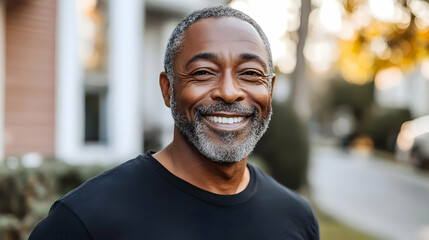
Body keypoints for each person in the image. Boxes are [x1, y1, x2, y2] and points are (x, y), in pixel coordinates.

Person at [29, 6, 319, 240]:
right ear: (168, 90)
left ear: (269, 89)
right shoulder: (84, 221)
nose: (230, 92)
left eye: (251, 73)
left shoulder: (296, 218)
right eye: (204, 72)